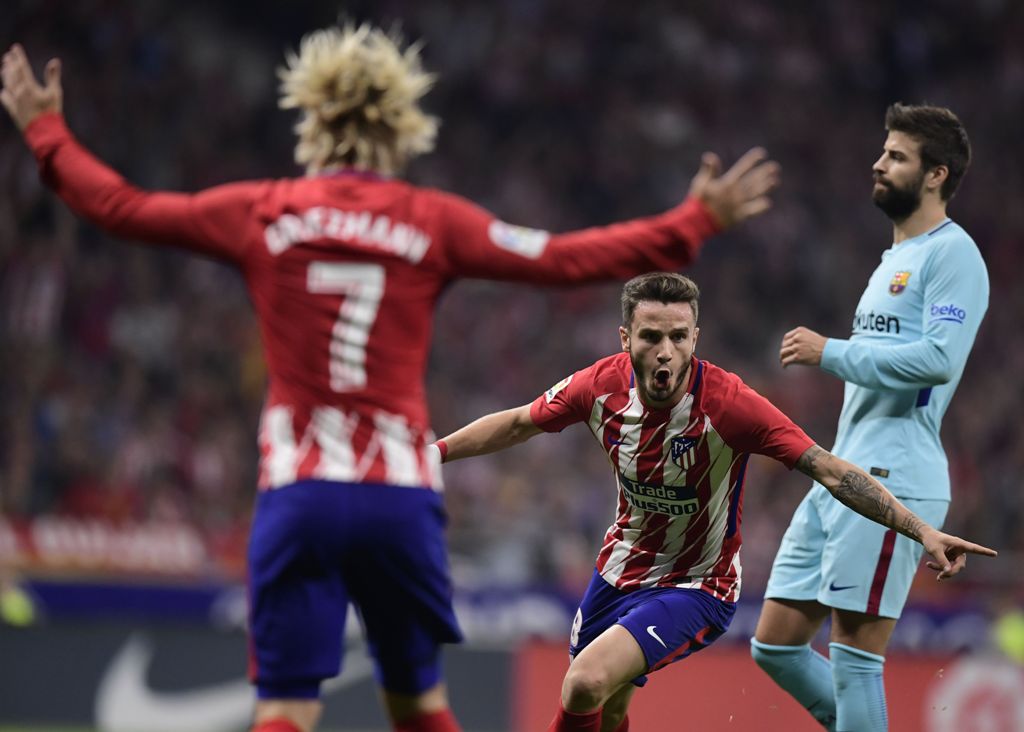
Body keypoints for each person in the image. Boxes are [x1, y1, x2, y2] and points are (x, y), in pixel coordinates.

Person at [0, 21, 781, 732]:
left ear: (309, 117)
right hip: (397, 496)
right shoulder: (427, 219)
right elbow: (564, 258)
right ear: (402, 126)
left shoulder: (264, 210)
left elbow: (121, 206)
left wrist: (44, 129)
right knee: (419, 704)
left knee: (283, 708)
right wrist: (691, 223)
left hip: (299, 491)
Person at [433, 271, 996, 732]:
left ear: (695, 338)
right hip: (618, 569)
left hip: (697, 586)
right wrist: (431, 455)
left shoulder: (731, 405)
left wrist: (920, 529)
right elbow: (514, 424)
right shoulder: (598, 387)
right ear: (625, 339)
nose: (666, 351)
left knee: (583, 683)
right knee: (610, 711)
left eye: (679, 336)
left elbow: (828, 468)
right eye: (651, 336)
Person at [752, 103, 989, 731]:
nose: (878, 164)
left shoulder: (953, 256)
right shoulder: (893, 260)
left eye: (896, 156)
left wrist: (830, 351)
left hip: (895, 475)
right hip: (840, 471)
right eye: (883, 152)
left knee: (855, 661)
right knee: (773, 643)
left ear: (936, 174)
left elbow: (939, 359)